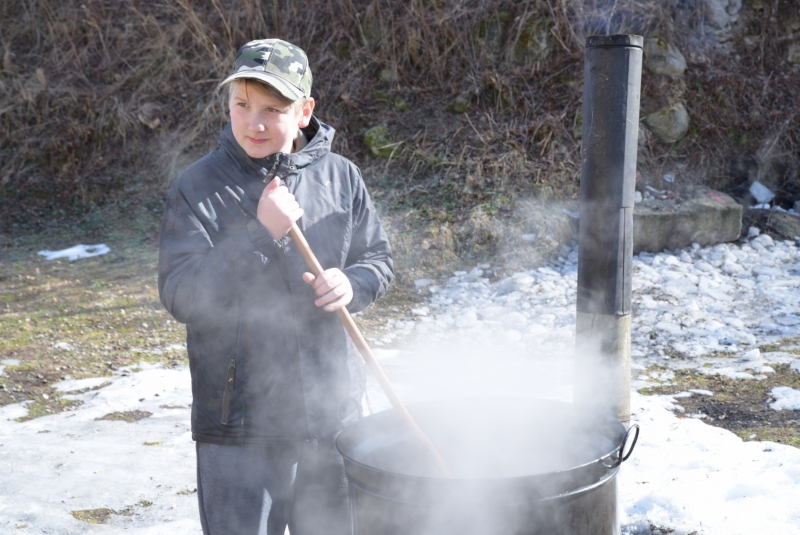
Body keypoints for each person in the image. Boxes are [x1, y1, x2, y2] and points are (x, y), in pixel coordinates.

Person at [157, 38, 394, 535]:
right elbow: (183, 294)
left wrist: (351, 285)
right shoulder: (197, 188)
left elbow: (377, 260)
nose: (254, 123)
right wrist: (258, 234)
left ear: (305, 111)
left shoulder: (341, 178)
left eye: (273, 108)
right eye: (242, 105)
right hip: (238, 429)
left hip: (333, 419)